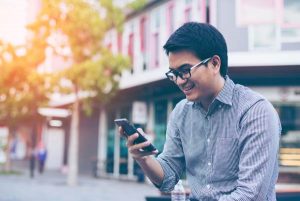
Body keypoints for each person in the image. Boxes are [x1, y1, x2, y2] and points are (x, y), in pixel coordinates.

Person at [118, 22, 281, 201]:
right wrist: (143, 158)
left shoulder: (255, 111)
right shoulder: (180, 113)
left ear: (214, 63)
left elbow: (250, 195)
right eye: (174, 73)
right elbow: (168, 178)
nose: (179, 81)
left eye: (185, 71)